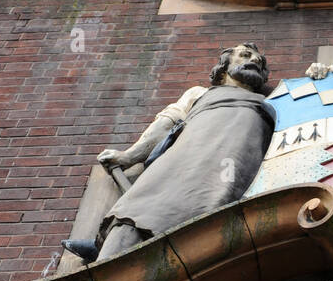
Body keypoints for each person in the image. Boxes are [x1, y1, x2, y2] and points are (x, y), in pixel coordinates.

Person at [63, 43, 276, 262]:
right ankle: (108, 248)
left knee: (215, 204)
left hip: (235, 157)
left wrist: (314, 75)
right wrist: (129, 156)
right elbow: (165, 124)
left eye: (258, 62)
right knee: (143, 200)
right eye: (245, 55)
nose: (254, 61)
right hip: (186, 155)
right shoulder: (199, 94)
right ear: (224, 66)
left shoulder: (275, 99)